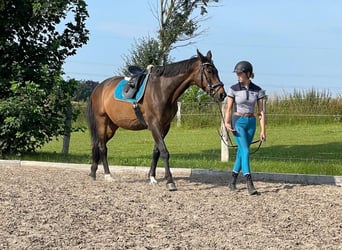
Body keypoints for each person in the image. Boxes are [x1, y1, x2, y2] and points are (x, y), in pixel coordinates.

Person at [224, 61, 266, 195]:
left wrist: (263, 130)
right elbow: (229, 108)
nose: (238, 75)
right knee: (246, 151)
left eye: (240, 73)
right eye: (237, 73)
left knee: (241, 152)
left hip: (251, 122)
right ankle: (249, 183)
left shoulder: (258, 90)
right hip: (238, 122)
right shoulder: (233, 89)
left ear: (248, 74)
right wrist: (227, 122)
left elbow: (261, 112)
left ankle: (232, 181)